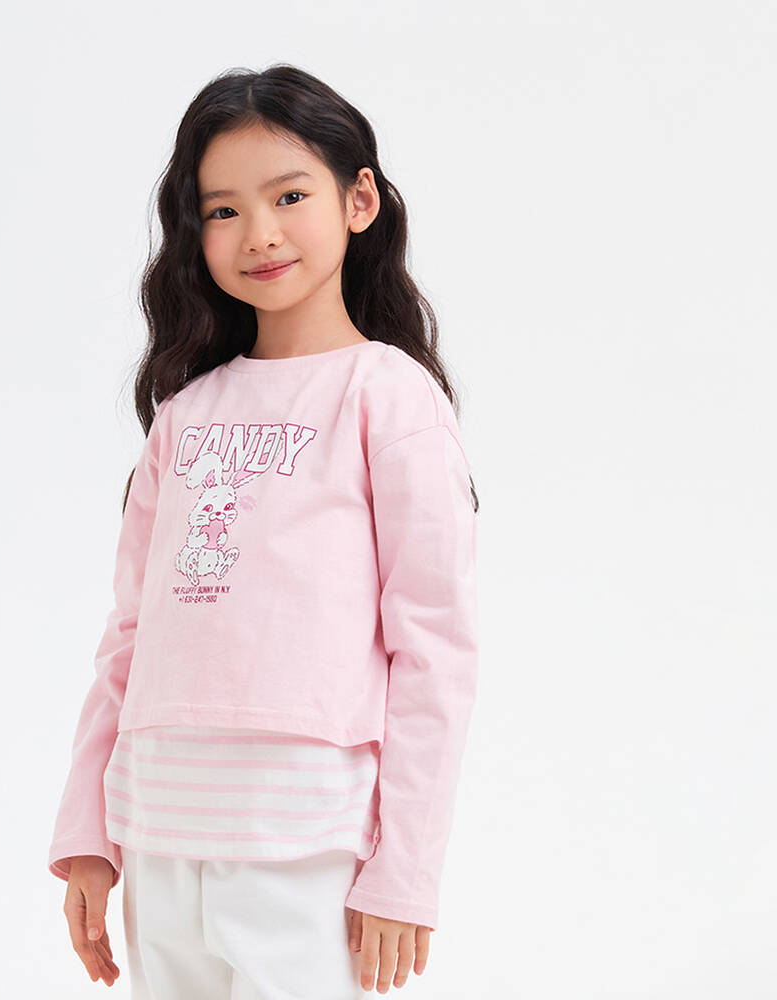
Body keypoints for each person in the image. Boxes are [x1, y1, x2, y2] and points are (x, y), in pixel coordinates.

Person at [47, 63, 480, 999]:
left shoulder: (388, 397)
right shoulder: (183, 415)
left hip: (308, 841)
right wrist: (88, 834)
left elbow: (434, 650)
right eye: (223, 210)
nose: (260, 232)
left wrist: (404, 870)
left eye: (289, 196)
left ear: (359, 200)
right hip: (159, 831)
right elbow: (129, 635)